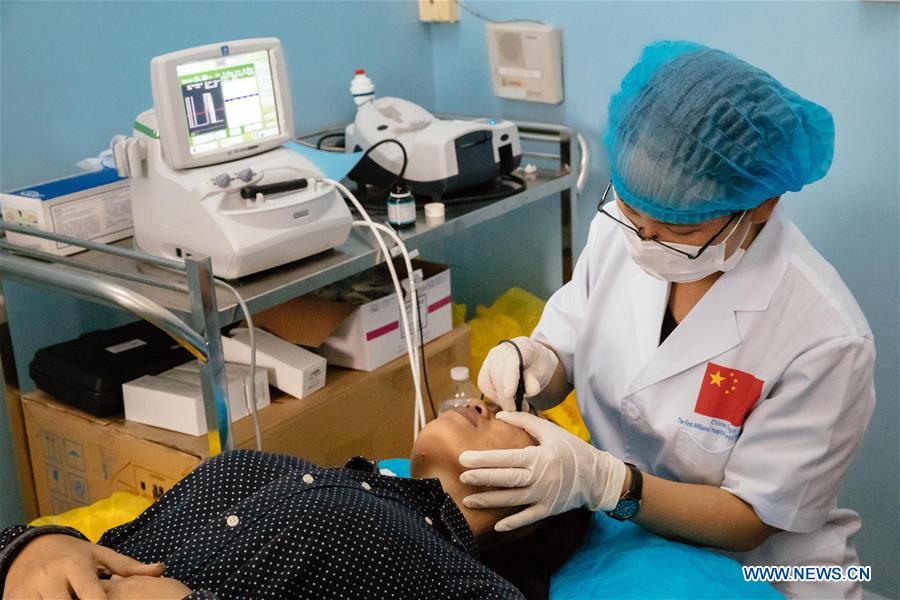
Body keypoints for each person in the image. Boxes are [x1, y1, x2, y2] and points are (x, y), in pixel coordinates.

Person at [466, 40, 875, 599]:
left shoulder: (826, 336)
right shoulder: (621, 230)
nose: (645, 239)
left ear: (761, 205)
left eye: (678, 230)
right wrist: (535, 363)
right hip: (625, 543)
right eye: (633, 211)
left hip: (772, 568)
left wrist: (609, 483)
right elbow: (564, 351)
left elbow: (753, 518)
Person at [0, 399, 589, 600]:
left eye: (521, 424)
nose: (487, 405)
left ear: (534, 514)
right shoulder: (277, 469)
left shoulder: (460, 579)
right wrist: (37, 545)